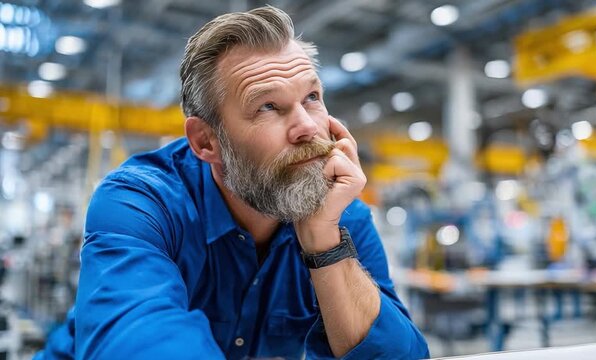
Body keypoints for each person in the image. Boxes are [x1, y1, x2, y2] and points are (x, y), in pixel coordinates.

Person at [37, 5, 429, 359]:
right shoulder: (140, 202)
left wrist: (323, 243)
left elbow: (402, 356)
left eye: (311, 96)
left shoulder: (342, 216)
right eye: (268, 107)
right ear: (207, 141)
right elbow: (140, 343)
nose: (308, 128)